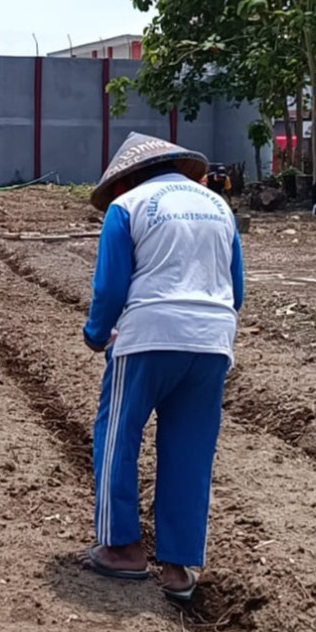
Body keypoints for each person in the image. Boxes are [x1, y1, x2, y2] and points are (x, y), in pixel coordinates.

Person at [79, 132, 245, 602]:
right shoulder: (218, 207)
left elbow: (110, 289)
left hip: (150, 336)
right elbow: (237, 290)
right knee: (191, 450)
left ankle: (123, 550)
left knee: (118, 437)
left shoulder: (127, 206)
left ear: (124, 178)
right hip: (213, 340)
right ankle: (178, 567)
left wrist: (96, 335)